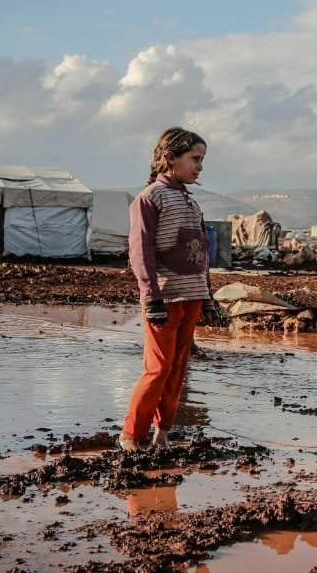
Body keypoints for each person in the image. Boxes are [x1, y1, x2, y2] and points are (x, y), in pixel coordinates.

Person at [121, 127, 221, 451]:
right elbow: (140, 251)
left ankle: (162, 433)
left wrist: (208, 298)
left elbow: (201, 255)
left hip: (191, 296)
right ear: (170, 158)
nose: (200, 166)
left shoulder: (192, 203)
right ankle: (131, 436)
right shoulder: (149, 198)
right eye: (195, 158)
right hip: (163, 298)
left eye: (202, 159)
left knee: (178, 367)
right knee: (158, 367)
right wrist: (151, 296)